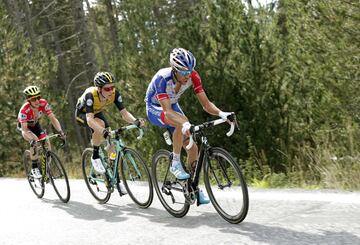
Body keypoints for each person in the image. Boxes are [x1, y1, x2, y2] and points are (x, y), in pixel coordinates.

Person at [145, 48, 234, 204]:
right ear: (174, 70)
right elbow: (166, 111)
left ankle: (192, 188)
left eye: (190, 71)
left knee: (193, 148)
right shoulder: (162, 79)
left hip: (172, 105)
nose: (188, 76)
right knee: (182, 122)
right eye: (184, 72)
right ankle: (175, 163)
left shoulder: (192, 75)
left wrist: (222, 114)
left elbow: (206, 104)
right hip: (155, 108)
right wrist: (184, 123)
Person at [75, 72, 144, 193]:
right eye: (107, 88)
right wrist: (102, 131)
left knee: (111, 145)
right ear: (99, 88)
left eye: (113, 87)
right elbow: (90, 120)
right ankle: (95, 155)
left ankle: (114, 179)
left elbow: (124, 113)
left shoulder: (114, 94)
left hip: (97, 112)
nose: (111, 91)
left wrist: (135, 121)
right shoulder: (91, 95)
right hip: (83, 114)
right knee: (101, 126)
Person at [17, 85, 66, 178]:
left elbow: (53, 118)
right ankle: (34, 168)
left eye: (38, 97)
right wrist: (31, 140)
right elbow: (24, 129)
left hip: (35, 125)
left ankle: (45, 167)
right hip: (25, 127)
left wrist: (61, 131)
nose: (37, 101)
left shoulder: (43, 103)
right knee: (35, 141)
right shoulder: (24, 110)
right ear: (28, 100)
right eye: (33, 99)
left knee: (46, 140)